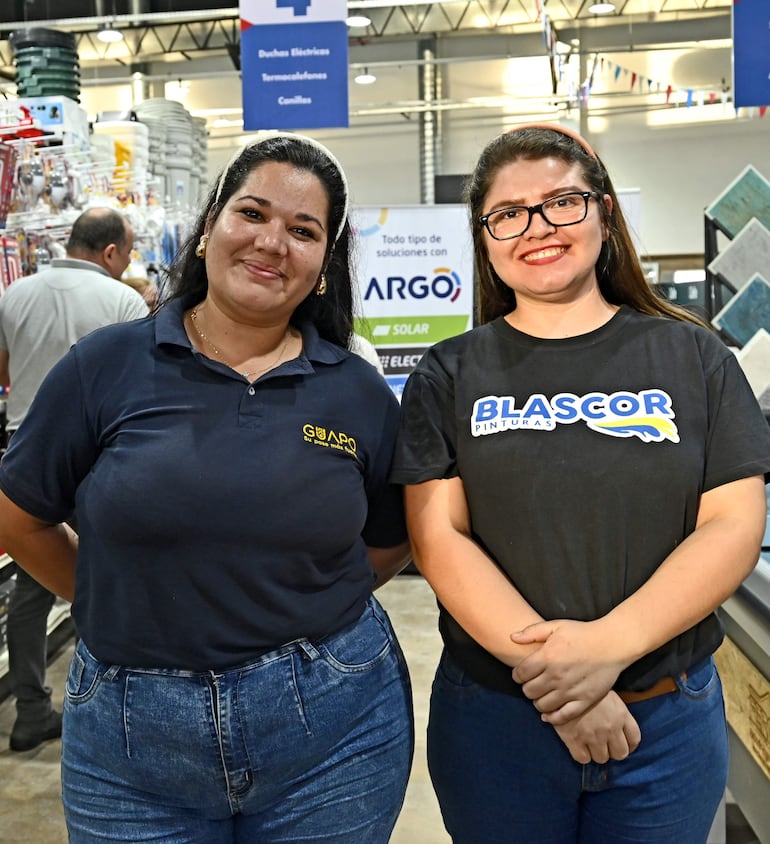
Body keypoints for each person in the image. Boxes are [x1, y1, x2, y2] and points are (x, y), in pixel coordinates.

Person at [0, 133, 413, 843]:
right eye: (251, 213)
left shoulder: (357, 392)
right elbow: (18, 518)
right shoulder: (104, 366)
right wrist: (110, 593)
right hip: (131, 735)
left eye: (303, 230)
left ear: (322, 268)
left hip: (333, 729)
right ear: (208, 230)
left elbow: (391, 539)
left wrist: (291, 600)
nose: (272, 241)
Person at [391, 123, 770, 843]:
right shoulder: (449, 372)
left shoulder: (693, 354)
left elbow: (732, 526)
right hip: (498, 723)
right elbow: (438, 538)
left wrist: (608, 649)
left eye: (561, 202)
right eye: (509, 214)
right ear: (486, 237)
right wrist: (567, 688)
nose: (536, 227)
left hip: (665, 717)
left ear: (602, 213)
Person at [0, 206, 148, 753]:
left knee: (31, 582)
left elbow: (3, 370)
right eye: (128, 253)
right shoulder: (122, 301)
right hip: (98, 455)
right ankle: (107, 700)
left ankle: (30, 711)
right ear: (111, 253)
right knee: (106, 572)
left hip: (24, 451)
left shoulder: (14, 295)